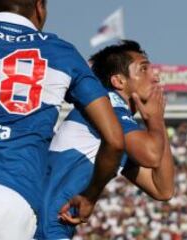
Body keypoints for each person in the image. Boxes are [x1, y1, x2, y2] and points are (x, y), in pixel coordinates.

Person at [0, 1, 125, 239]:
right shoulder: (60, 52)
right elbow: (115, 139)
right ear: (39, 6)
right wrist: (90, 196)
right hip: (14, 199)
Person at [35, 40, 175, 239]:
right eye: (144, 69)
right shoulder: (108, 105)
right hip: (46, 221)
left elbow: (163, 189)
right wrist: (155, 120)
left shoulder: (120, 130)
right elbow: (152, 156)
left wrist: (157, 121)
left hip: (50, 221)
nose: (156, 77)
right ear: (118, 81)